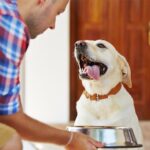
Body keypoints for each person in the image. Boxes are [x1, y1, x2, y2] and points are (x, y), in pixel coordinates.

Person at [0, 0, 104, 149]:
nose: (53, 25)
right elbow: (8, 118)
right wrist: (70, 139)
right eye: (57, 13)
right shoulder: (11, 24)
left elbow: (12, 111)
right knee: (11, 141)